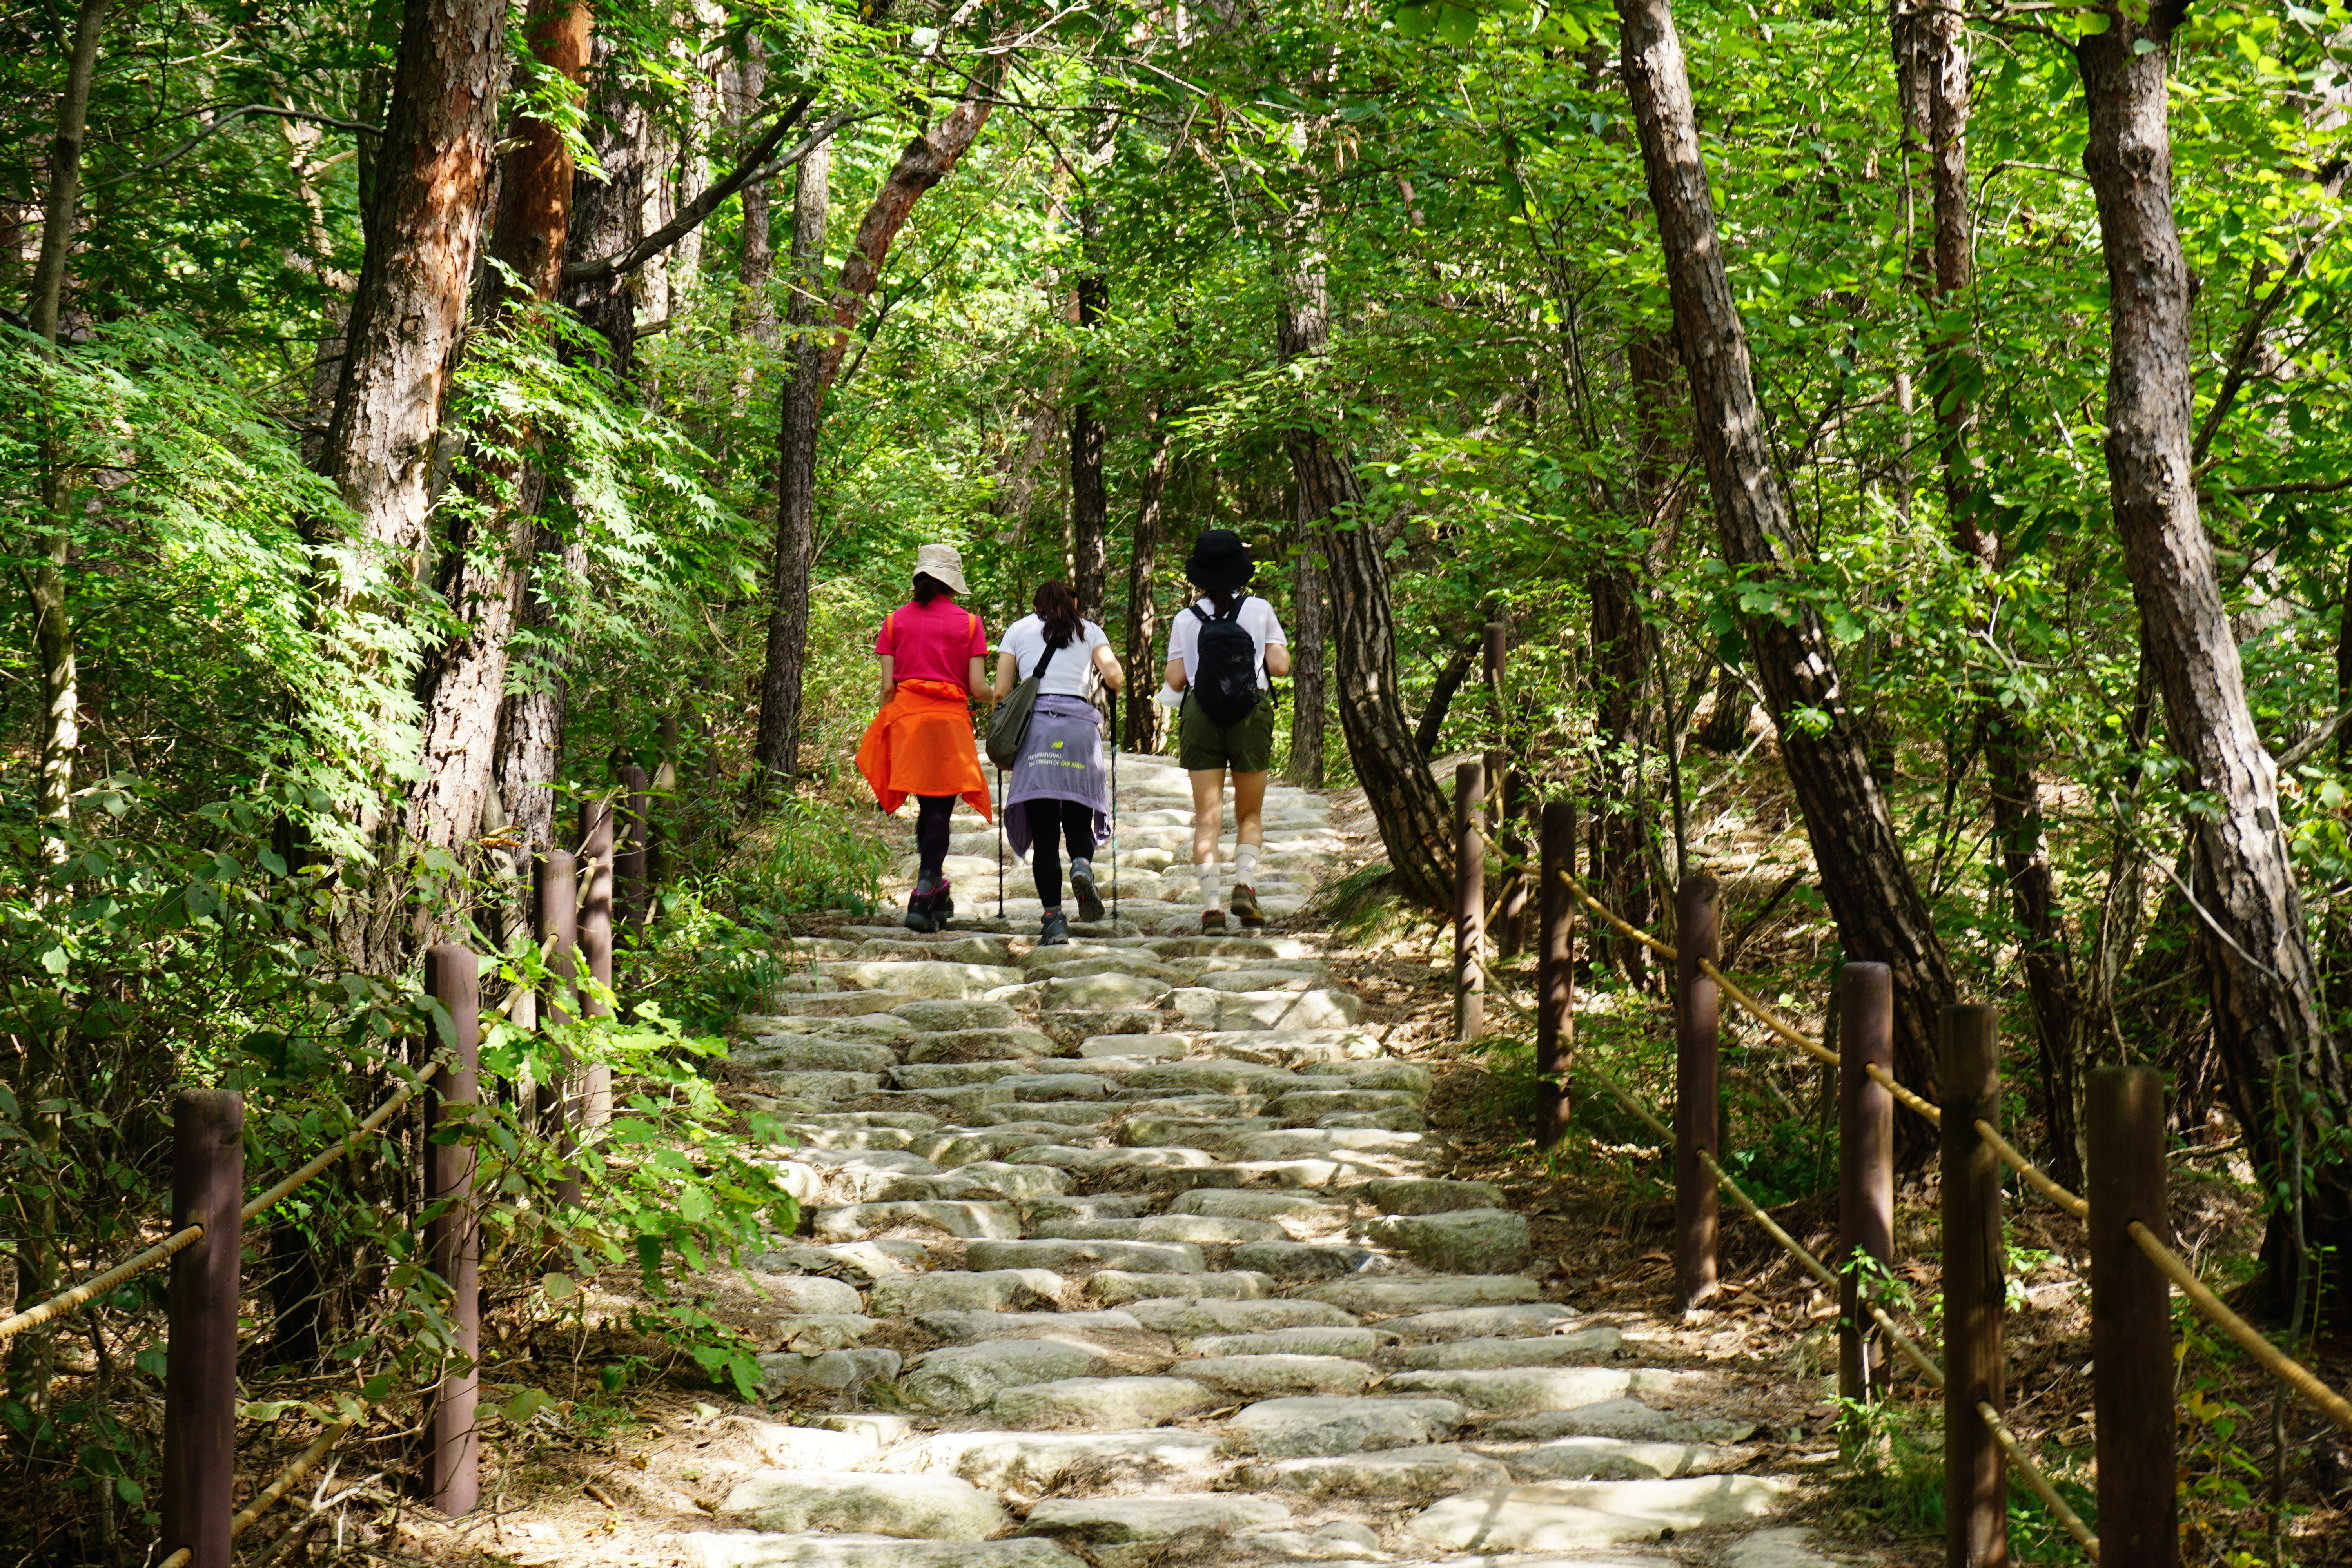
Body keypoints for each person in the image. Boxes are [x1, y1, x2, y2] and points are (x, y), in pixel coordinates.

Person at [855, 543, 991, 932]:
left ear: (919, 577)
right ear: (952, 583)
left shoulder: (894, 622)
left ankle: (933, 887)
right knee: (939, 811)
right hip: (948, 725)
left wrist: (887, 727)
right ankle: (925, 887)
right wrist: (1002, 695)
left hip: (908, 723)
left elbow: (886, 689)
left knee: (926, 808)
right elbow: (978, 687)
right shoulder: (969, 624)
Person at [1161, 528, 1290, 932]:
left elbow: (1176, 679)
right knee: (1249, 812)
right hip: (1251, 713)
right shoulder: (1260, 609)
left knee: (1207, 819)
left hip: (1202, 715)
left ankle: (1211, 909)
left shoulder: (1186, 618)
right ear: (1240, 571)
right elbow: (1282, 667)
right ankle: (1245, 885)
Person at [994, 582, 1125, 946]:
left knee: (1046, 832)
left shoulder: (1018, 630)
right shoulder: (1089, 630)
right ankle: (1082, 864)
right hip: (1080, 731)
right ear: (1073, 605)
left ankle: (1053, 921)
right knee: (1078, 817)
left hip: (1035, 733)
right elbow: (1114, 677)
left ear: (1037, 605)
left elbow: (1002, 691)